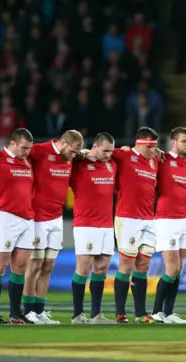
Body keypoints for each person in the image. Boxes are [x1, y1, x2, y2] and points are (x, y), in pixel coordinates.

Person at [23, 130, 83, 325]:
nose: (74, 155)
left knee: (48, 266)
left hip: (56, 219)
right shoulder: (40, 151)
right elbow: (17, 152)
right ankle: (28, 311)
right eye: (73, 151)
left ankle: (39, 311)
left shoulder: (70, 156)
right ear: (63, 143)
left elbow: (87, 154)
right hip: (37, 218)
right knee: (34, 266)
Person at [0, 128, 35, 324]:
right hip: (4, 217)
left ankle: (15, 313)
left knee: (21, 267)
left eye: (29, 149)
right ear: (12, 143)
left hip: (27, 218)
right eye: (23, 148)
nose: (27, 152)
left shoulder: (29, 161)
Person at [111, 127, 159, 324]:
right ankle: (120, 313)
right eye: (149, 146)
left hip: (149, 219)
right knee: (126, 265)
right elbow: (100, 152)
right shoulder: (123, 155)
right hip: (128, 218)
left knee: (144, 265)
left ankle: (140, 313)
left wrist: (159, 153)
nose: (152, 150)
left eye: (155, 146)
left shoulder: (155, 161)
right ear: (138, 143)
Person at [70, 133, 117, 324]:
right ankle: (77, 315)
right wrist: (80, 153)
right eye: (105, 150)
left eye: (111, 151)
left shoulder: (112, 164)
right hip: (85, 224)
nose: (108, 155)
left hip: (107, 224)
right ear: (95, 147)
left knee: (101, 268)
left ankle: (96, 314)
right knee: (83, 268)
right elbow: (65, 156)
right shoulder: (79, 163)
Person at [150, 127, 186, 324]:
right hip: (166, 219)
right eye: (184, 141)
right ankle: (156, 311)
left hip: (185, 219)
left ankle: (169, 313)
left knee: (179, 267)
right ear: (173, 142)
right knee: (172, 267)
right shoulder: (162, 159)